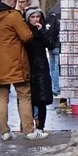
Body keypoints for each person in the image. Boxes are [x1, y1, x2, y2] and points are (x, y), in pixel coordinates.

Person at [0, 0, 35, 141]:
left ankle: (4, 131)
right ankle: (29, 131)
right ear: (12, 1)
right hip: (15, 62)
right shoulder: (13, 16)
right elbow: (26, 36)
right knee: (24, 95)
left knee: (2, 97)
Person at [23, 8, 56, 139]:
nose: (36, 19)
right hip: (28, 67)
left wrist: (42, 30)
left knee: (42, 100)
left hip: (41, 68)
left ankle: (40, 126)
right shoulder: (25, 32)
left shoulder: (42, 30)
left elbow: (51, 44)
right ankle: (29, 125)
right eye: (33, 17)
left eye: (37, 17)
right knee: (28, 99)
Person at [46, 4, 62, 98]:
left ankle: (54, 88)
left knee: (52, 67)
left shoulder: (51, 14)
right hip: (59, 45)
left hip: (50, 45)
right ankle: (57, 88)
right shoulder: (62, 16)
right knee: (57, 67)